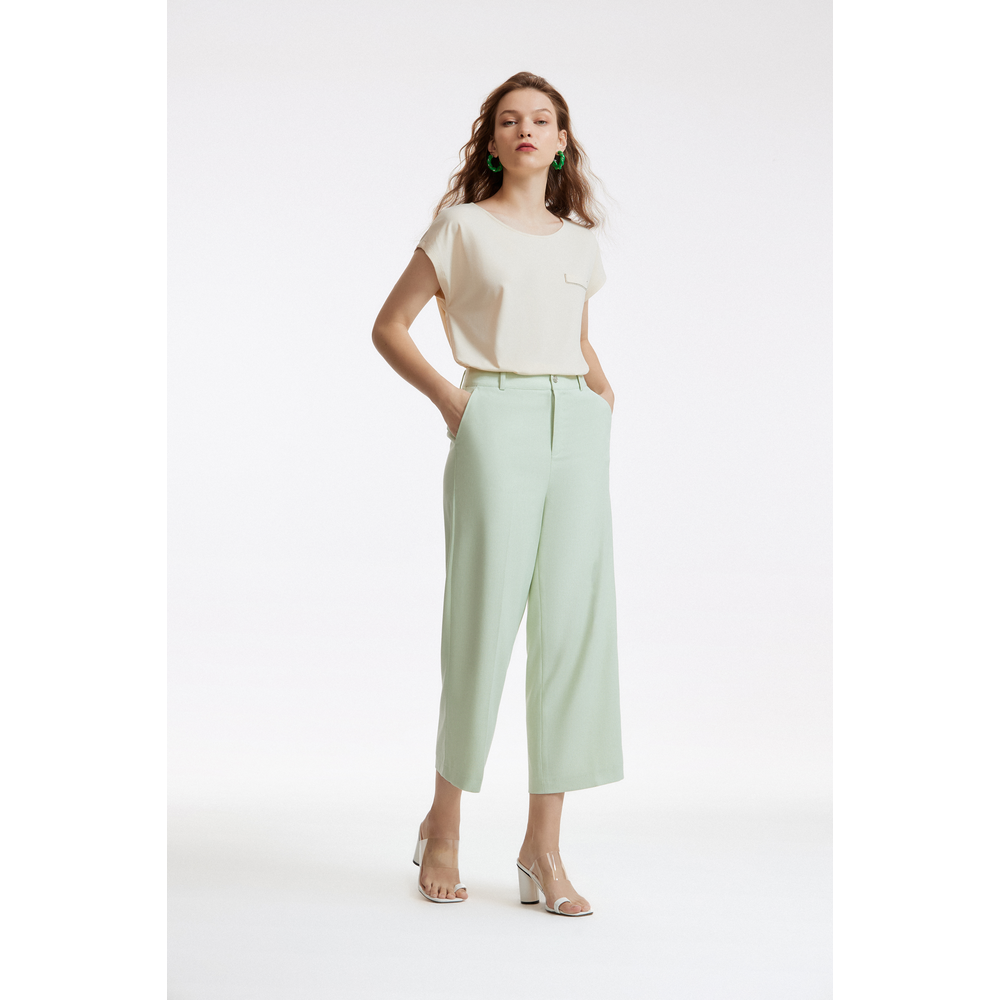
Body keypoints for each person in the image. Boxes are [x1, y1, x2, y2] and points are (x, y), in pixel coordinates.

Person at [372, 71, 623, 917]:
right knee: (480, 623)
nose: (526, 130)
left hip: (576, 427)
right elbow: (389, 326)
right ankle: (442, 826)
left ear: (561, 142)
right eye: (509, 120)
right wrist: (454, 403)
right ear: (491, 143)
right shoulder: (461, 227)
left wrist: (601, 398)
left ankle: (542, 849)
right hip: (495, 418)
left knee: (574, 632)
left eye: (541, 120)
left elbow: (578, 339)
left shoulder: (580, 242)